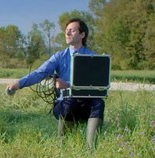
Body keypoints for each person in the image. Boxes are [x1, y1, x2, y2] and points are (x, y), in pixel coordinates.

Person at [7, 18, 105, 148]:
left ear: (82, 34)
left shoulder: (93, 57)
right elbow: (40, 73)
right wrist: (18, 83)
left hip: (86, 103)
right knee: (70, 101)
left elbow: (98, 84)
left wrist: (69, 85)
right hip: (65, 102)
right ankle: (62, 145)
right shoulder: (59, 56)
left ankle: (91, 148)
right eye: (66, 31)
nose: (68, 33)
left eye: (72, 30)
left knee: (98, 102)